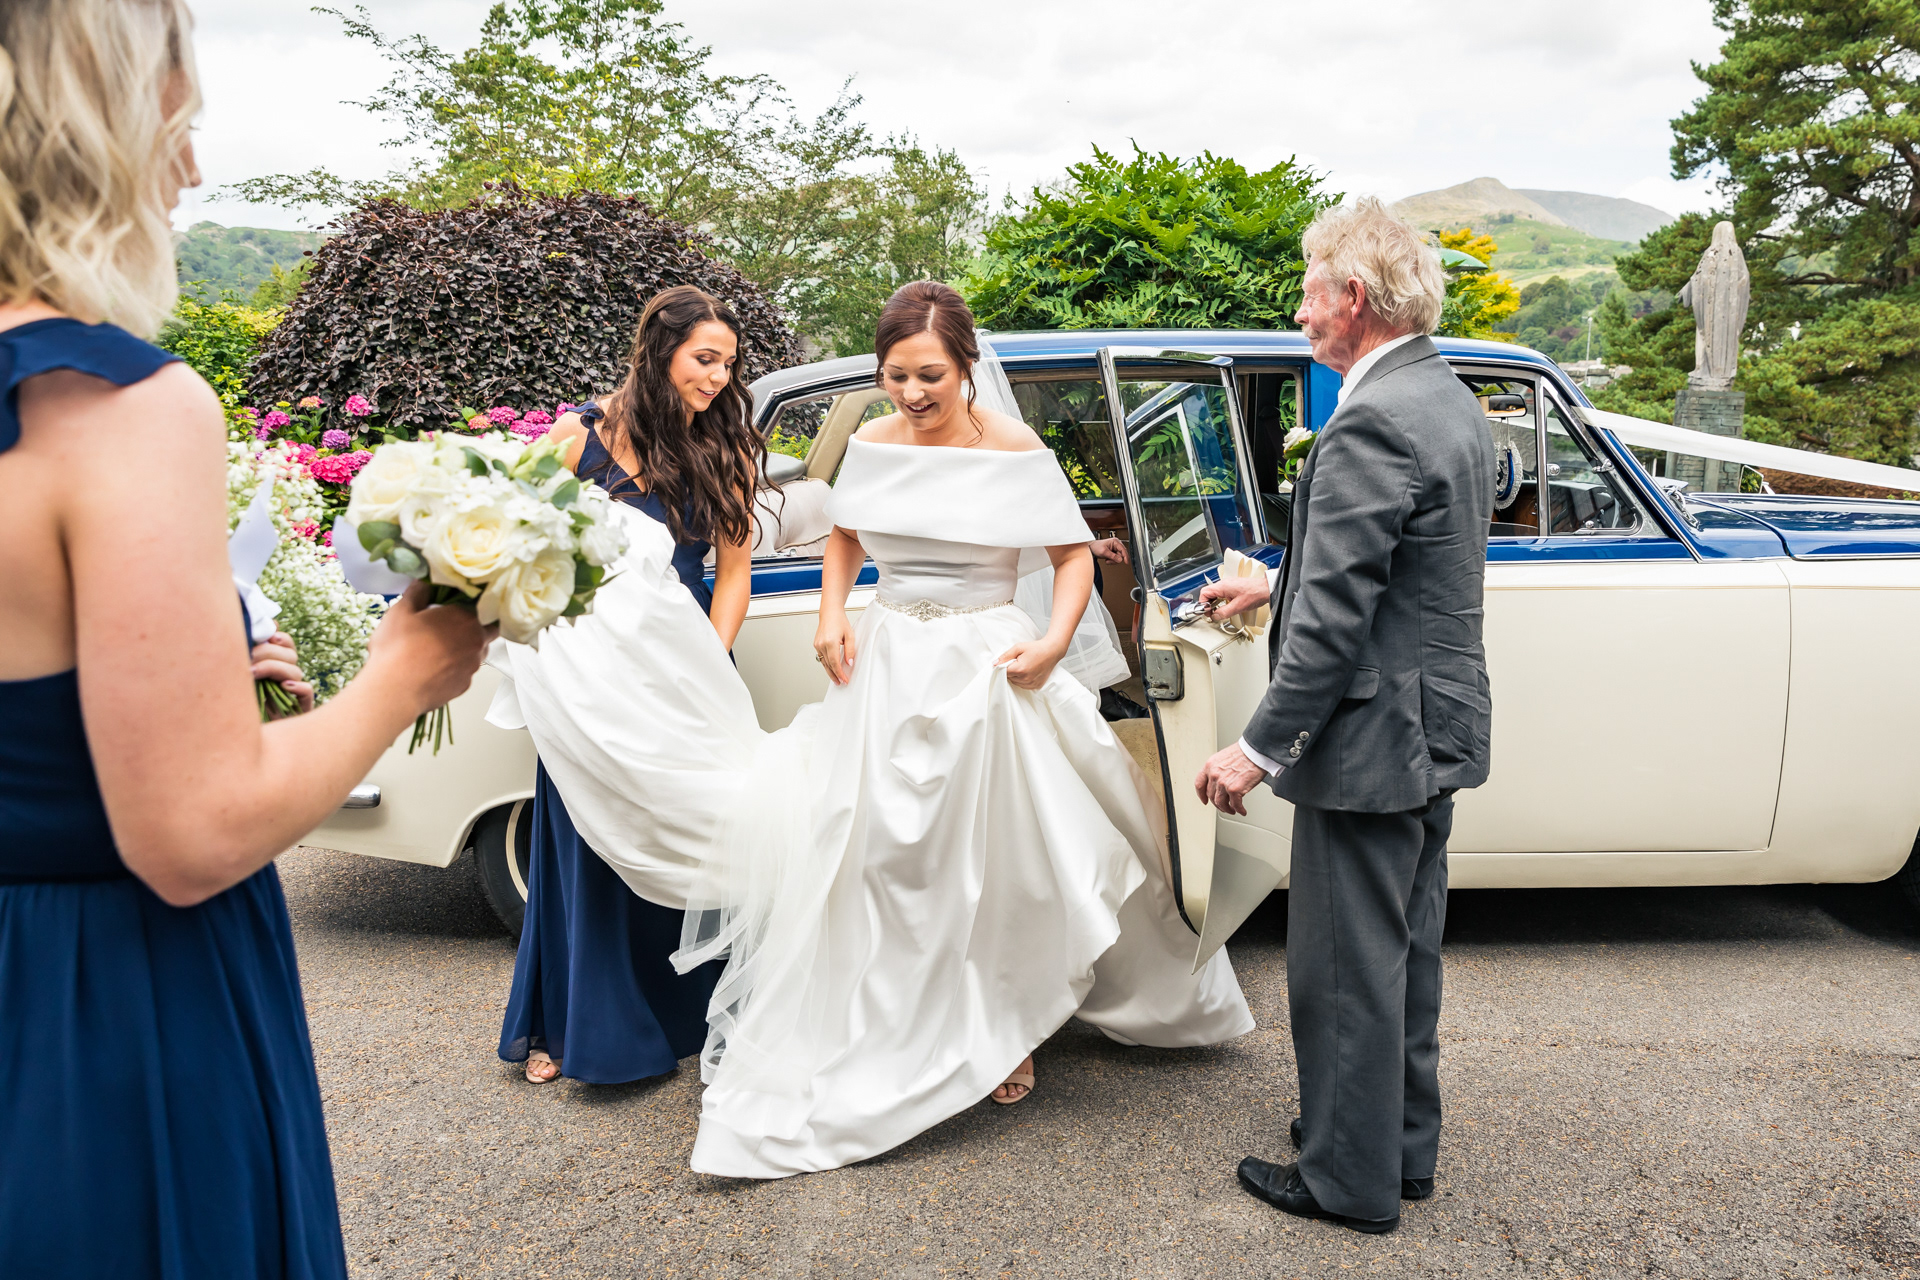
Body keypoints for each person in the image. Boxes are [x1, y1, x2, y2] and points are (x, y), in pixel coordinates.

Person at [0, 3, 492, 1274]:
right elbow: (192, 830)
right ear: (90, 126)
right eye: (181, 124)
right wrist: (404, 675)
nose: (192, 172)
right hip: (103, 1009)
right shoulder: (110, 407)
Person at [1193, 198, 1494, 1234]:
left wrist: (1257, 748)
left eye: (1310, 292)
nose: (1301, 311)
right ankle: (1397, 1149)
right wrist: (1270, 583)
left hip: (1368, 739)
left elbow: (1336, 626)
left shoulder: (1371, 416)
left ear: (1352, 299)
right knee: (1404, 952)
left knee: (1342, 967)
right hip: (1432, 723)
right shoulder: (1446, 397)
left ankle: (1346, 1179)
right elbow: (1392, 573)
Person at [495, 285, 753, 1085]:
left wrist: (706, 665)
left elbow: (734, 572)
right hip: (588, 673)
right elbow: (506, 525)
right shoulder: (577, 439)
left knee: (698, 832)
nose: (715, 379)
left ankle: (689, 1014)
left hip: (688, 662)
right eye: (703, 359)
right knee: (586, 843)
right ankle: (573, 1026)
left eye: (727, 365)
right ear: (657, 349)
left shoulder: (729, 448)